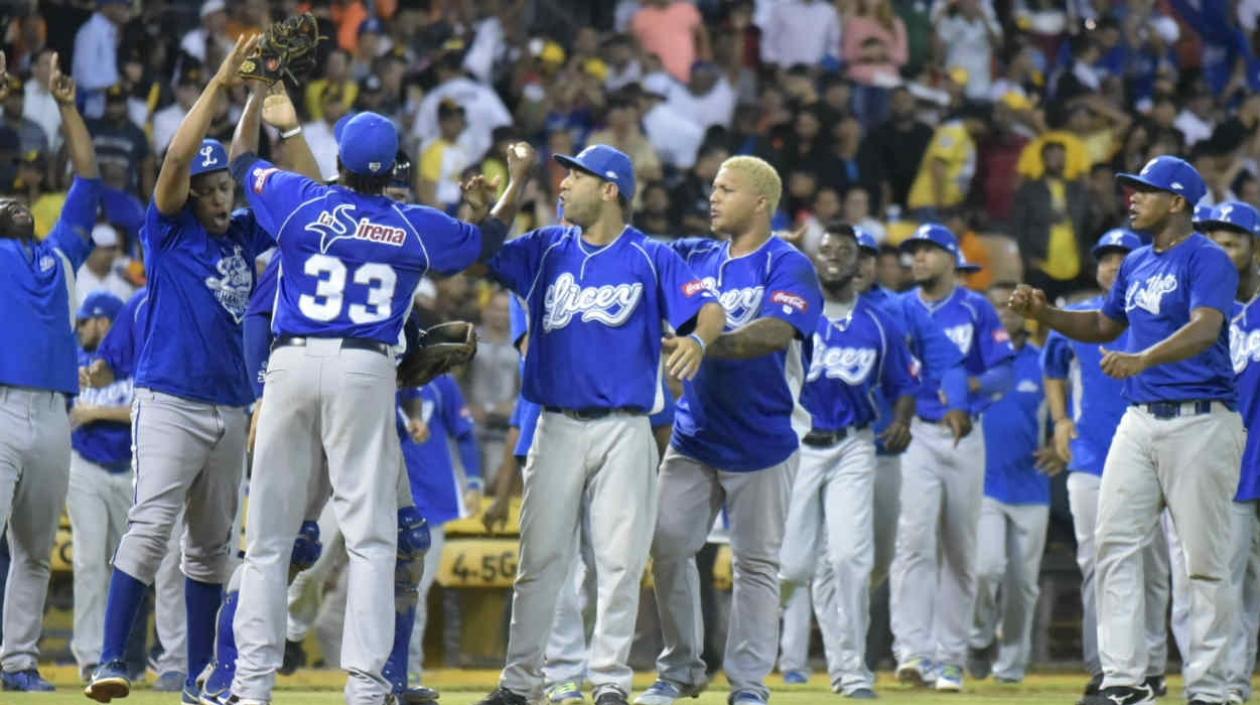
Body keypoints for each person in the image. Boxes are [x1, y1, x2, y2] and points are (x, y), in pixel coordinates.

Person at [225, 59, 533, 701]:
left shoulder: (301, 203)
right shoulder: (411, 224)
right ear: (393, 169)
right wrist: (517, 181)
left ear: (339, 161)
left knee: (270, 537)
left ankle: (250, 684)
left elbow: (238, 164)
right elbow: (488, 241)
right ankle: (366, 685)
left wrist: (257, 101)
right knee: (371, 535)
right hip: (365, 367)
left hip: (291, 361)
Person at [473, 144, 725, 705]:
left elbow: (710, 307)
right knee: (539, 560)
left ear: (610, 189)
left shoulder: (649, 255)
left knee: (618, 561)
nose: (561, 185)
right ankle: (520, 683)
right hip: (556, 423)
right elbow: (481, 255)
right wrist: (512, 188)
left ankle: (609, 680)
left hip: (625, 427)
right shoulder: (544, 247)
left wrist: (698, 340)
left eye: (575, 177)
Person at [1009, 156, 1243, 705]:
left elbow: (1207, 327)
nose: (1131, 198)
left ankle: (1210, 688)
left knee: (1204, 562)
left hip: (1201, 420)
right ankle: (1124, 681)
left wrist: (1144, 359)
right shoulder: (1137, 262)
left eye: (1144, 190)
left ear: (1179, 201)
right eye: (1131, 190)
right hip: (1139, 422)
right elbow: (1102, 324)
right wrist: (1048, 315)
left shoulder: (1207, 259)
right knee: (1114, 546)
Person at [83, 36, 275, 705]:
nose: (222, 198)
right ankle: (110, 659)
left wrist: (253, 96)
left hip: (230, 406)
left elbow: (250, 166)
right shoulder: (169, 233)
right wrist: (221, 84)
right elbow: (174, 157)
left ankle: (199, 676)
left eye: (225, 188)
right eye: (210, 189)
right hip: (168, 399)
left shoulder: (245, 234)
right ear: (190, 194)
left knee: (210, 551)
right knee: (150, 526)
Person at [636, 156, 824, 705]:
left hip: (764, 439)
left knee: (756, 565)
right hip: (695, 435)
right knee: (667, 544)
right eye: (713, 188)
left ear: (761, 201)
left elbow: (773, 332)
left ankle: (747, 684)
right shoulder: (696, 256)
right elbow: (639, 258)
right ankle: (681, 670)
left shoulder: (788, 264)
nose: (712, 198)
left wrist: (704, 341)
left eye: (726, 189)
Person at [778, 223, 918, 699]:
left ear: (860, 263)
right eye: (827, 250)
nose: (835, 257)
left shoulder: (880, 322)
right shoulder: (793, 315)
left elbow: (903, 385)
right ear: (815, 260)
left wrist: (902, 420)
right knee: (793, 568)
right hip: (796, 445)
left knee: (850, 560)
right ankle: (754, 660)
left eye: (845, 251)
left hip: (854, 445)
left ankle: (852, 671)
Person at [0, 49, 100, 693]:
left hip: (54, 415)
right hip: (3, 407)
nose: (17, 195)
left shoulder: (59, 253)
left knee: (35, 552)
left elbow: (87, 180)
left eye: (25, 190)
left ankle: (18, 662)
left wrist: (66, 105)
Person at [1041, 228, 1172, 701]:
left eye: (1124, 257)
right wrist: (1058, 419)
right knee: (1098, 563)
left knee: (1153, 566)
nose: (1113, 266)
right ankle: (1106, 670)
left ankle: (1152, 668)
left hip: (1154, 452)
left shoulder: (1161, 316)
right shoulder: (1078, 317)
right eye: (1105, 259)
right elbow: (1052, 365)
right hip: (1092, 456)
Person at [890, 222, 1015, 693]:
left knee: (961, 549)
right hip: (917, 433)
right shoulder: (899, 308)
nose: (918, 258)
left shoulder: (976, 307)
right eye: (914, 251)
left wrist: (969, 386)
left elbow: (1004, 369)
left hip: (964, 436)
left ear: (951, 257)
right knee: (914, 542)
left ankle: (950, 658)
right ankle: (913, 652)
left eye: (928, 250)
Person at [966, 281, 1056, 685]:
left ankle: (1013, 664)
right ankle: (980, 637)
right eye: (997, 305)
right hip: (982, 483)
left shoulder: (1043, 362)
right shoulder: (973, 361)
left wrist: (1057, 443)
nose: (1006, 311)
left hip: (1030, 484)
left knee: (1023, 584)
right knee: (985, 569)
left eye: (1013, 305)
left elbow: (1062, 419)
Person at [1199, 201, 1260, 705]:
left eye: (1233, 242)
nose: (1223, 251)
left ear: (1254, 248)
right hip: (1230, 472)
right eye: (1214, 242)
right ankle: (1232, 687)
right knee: (1229, 588)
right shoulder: (1202, 314)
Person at [66, 292, 132, 680]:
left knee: (126, 568)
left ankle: (119, 654)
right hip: (84, 467)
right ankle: (89, 655)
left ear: (104, 323)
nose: (82, 328)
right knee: (90, 563)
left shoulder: (132, 357)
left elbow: (143, 407)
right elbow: (71, 413)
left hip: (129, 470)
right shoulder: (74, 360)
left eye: (86, 321)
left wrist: (97, 411)